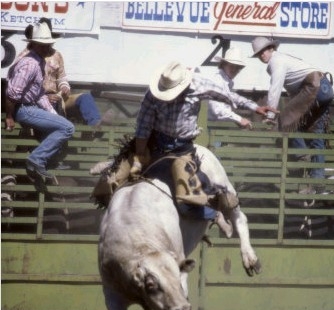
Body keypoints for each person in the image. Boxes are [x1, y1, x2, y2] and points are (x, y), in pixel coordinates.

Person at [91, 61, 275, 217]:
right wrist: (139, 156)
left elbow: (227, 95)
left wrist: (254, 107)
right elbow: (143, 127)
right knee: (110, 183)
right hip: (154, 143)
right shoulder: (153, 94)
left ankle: (214, 209)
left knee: (188, 198)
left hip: (182, 150)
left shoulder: (198, 85)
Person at [251, 36, 334, 192]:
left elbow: (275, 88)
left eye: (263, 51)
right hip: (325, 88)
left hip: (315, 87)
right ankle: (318, 184)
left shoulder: (276, 61)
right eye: (258, 54)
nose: (262, 55)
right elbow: (294, 93)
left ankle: (302, 156)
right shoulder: (286, 60)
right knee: (316, 136)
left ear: (271, 49)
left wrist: (270, 115)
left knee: (285, 120)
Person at [5, 22, 75, 183]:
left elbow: (38, 94)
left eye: (48, 44)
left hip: (28, 107)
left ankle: (42, 161)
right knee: (67, 128)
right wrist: (9, 116)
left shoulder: (38, 62)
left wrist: (52, 113)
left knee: (63, 125)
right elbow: (12, 92)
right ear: (34, 44)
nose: (46, 48)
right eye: (42, 45)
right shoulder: (30, 63)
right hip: (24, 109)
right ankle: (37, 159)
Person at [21, 19, 103, 134]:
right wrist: (43, 98)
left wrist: (64, 87)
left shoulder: (56, 55)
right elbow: (21, 88)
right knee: (54, 104)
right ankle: (61, 135)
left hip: (57, 96)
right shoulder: (25, 58)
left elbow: (61, 77)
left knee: (85, 98)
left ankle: (96, 127)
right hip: (36, 100)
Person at [208, 47, 258, 130]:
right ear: (224, 64)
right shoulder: (218, 81)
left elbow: (234, 97)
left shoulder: (225, 82)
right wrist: (239, 119)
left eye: (238, 67)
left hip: (215, 126)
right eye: (231, 66)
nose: (234, 69)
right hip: (209, 127)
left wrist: (256, 107)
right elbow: (218, 110)